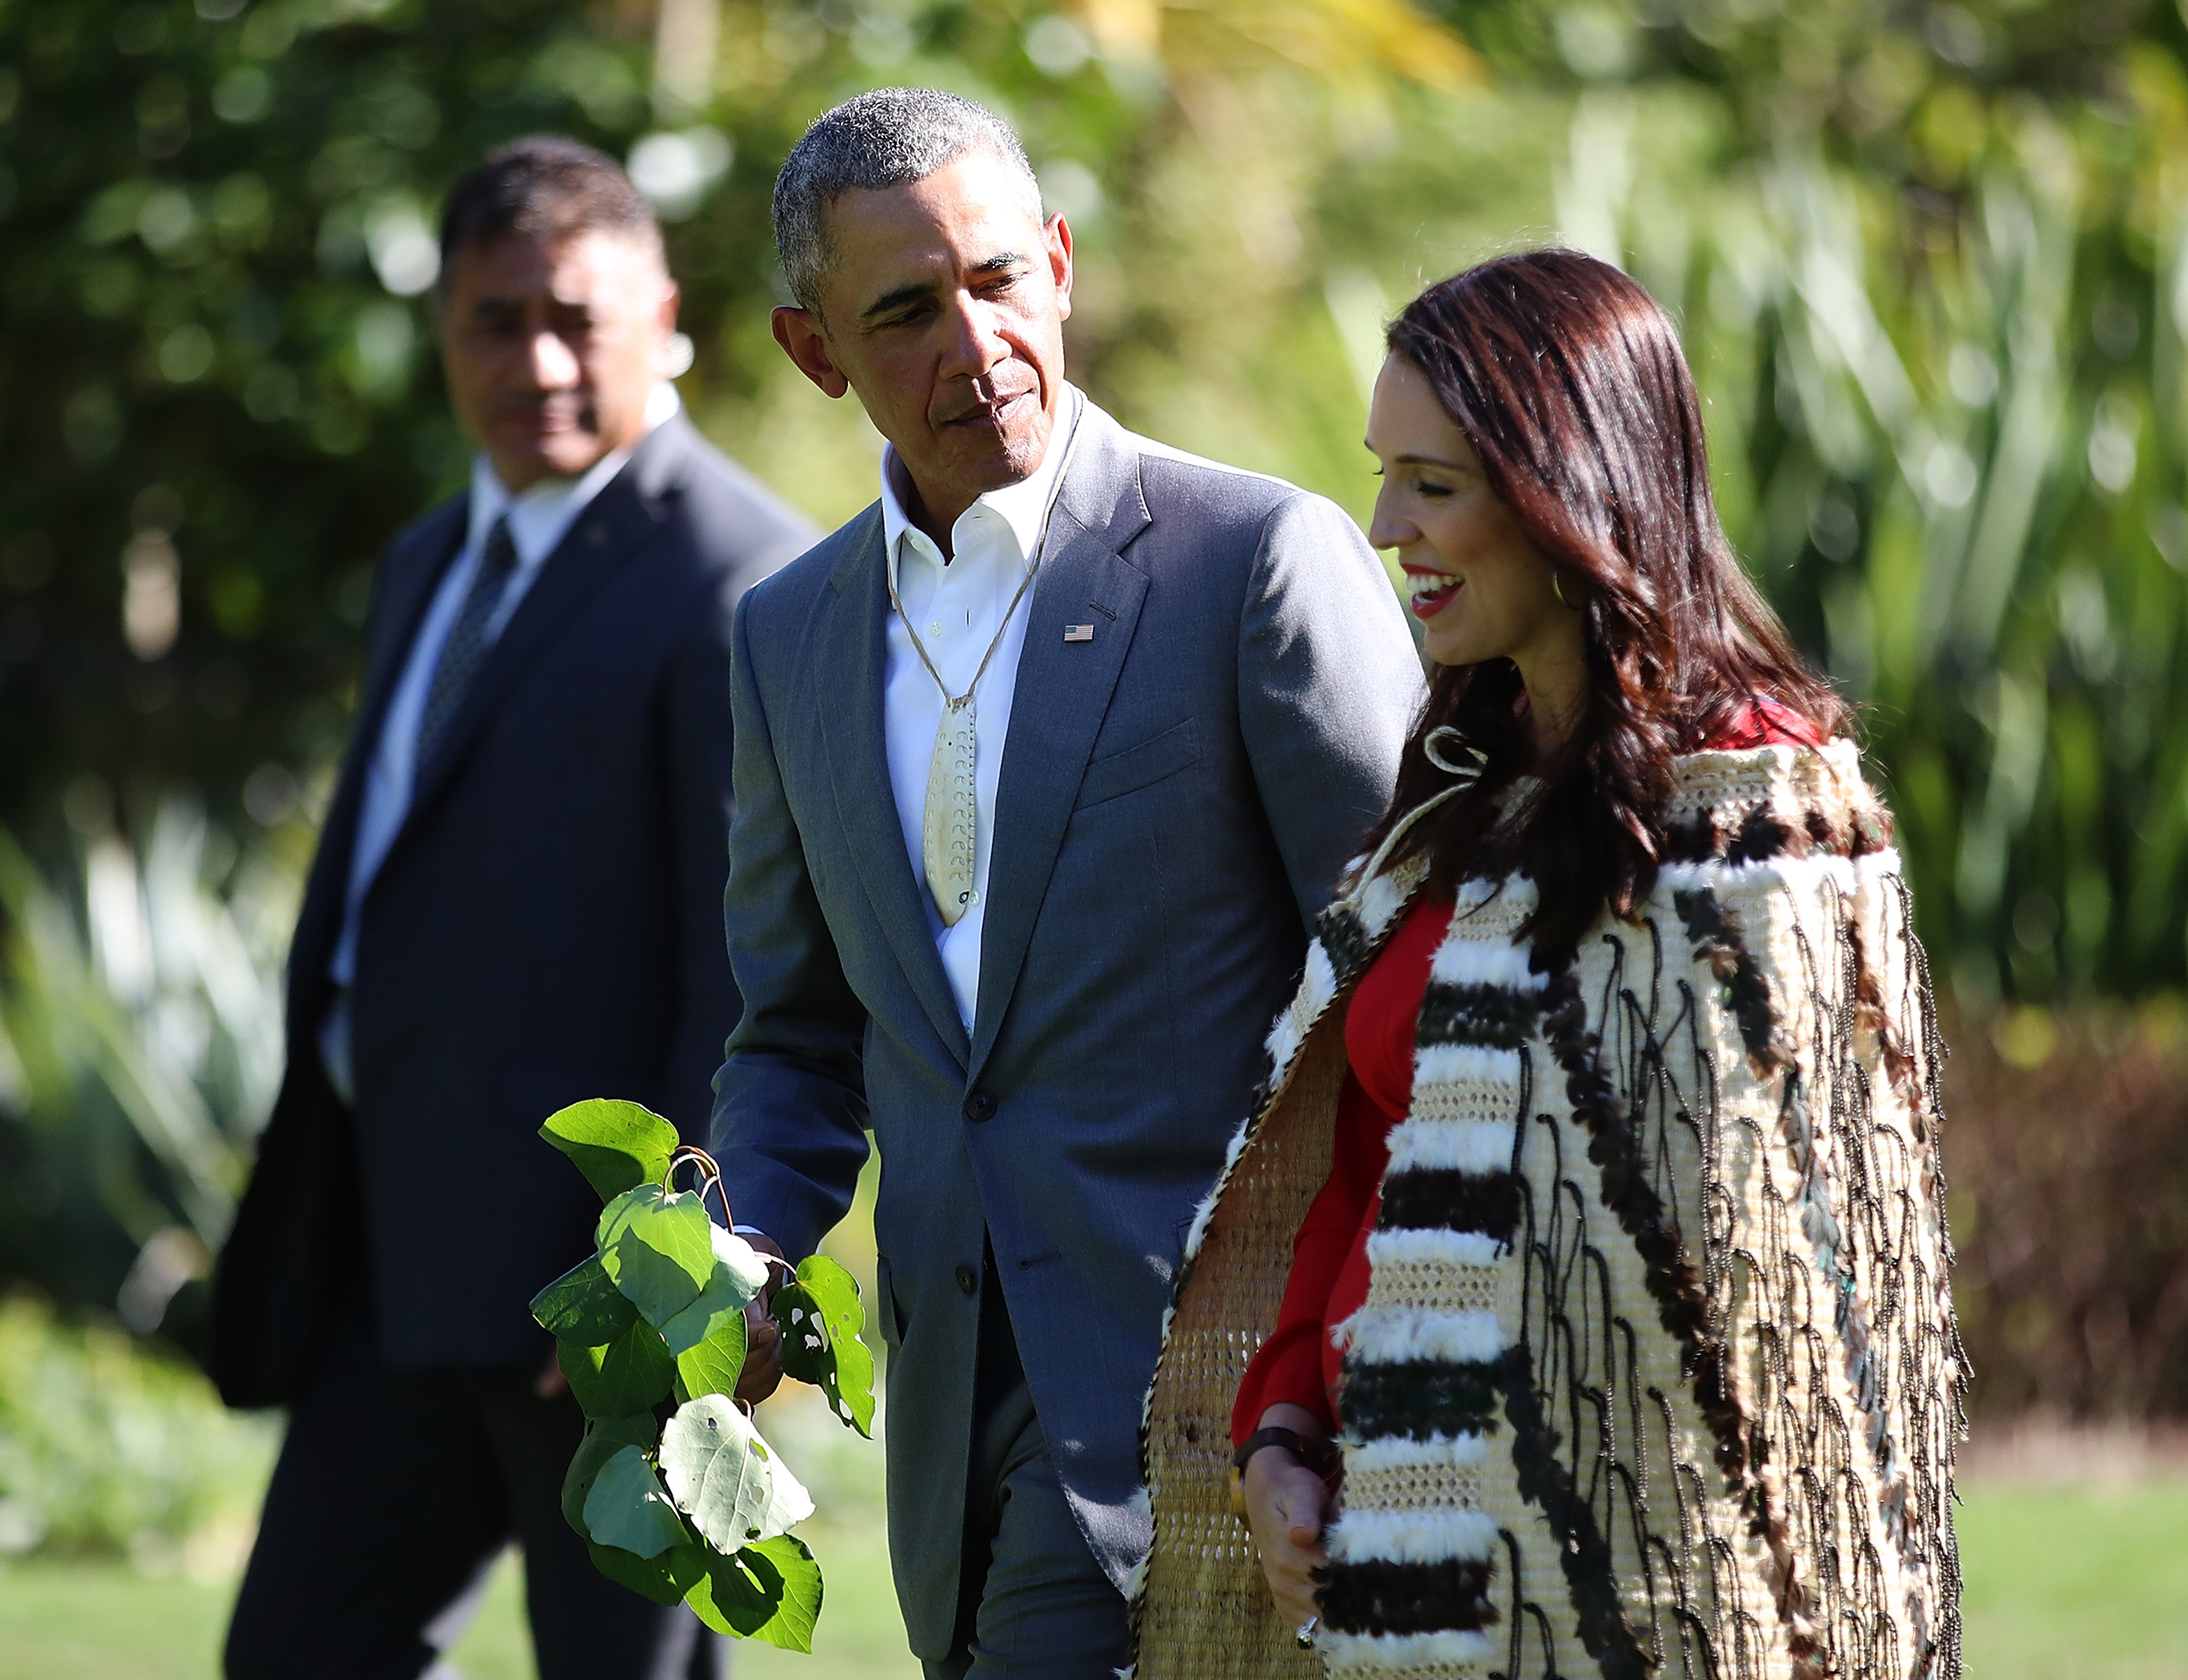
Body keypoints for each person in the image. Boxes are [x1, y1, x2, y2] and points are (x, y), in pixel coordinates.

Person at [1133, 249, 1966, 1679]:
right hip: (1395, 1576)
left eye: (1435, 483)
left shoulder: (1761, 823)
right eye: (1383, 474)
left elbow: (1759, 1298)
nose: (1388, 525)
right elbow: (1367, 1161)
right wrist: (1282, 1427)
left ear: (1568, 492)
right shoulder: (1459, 786)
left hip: (1661, 1595)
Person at [709, 89, 1426, 1680]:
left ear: (1060, 265)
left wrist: (1359, 1375)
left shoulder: (1258, 563)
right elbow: (801, 1041)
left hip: (1246, 1408)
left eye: (996, 281)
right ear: (814, 351)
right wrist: (741, 1251)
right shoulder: (786, 639)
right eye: (904, 311)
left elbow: (1416, 1002)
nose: (975, 343)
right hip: (959, 1454)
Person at [205, 136, 812, 1680]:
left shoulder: (736, 578)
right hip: (390, 1261)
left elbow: (743, 974)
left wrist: (660, 1278)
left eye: (576, 320)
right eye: (495, 321)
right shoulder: (430, 557)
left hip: (585, 1304)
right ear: (443, 331)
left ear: (663, 317)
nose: (536, 361)